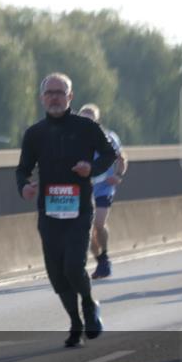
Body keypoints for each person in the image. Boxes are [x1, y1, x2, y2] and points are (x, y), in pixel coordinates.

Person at [15, 73, 118, 348]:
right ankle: (75, 322)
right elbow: (23, 169)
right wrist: (24, 186)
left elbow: (110, 155)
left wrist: (91, 169)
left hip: (80, 209)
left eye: (60, 92)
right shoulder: (35, 133)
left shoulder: (85, 127)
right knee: (56, 274)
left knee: (74, 266)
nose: (55, 97)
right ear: (42, 98)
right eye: (49, 93)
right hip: (49, 213)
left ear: (70, 97)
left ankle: (88, 303)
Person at [77, 104, 127, 279]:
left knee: (99, 223)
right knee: (86, 229)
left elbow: (121, 159)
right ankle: (101, 260)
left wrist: (118, 175)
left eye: (90, 119)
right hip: (84, 186)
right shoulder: (73, 139)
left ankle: (104, 254)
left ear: (97, 121)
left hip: (104, 185)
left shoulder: (109, 138)